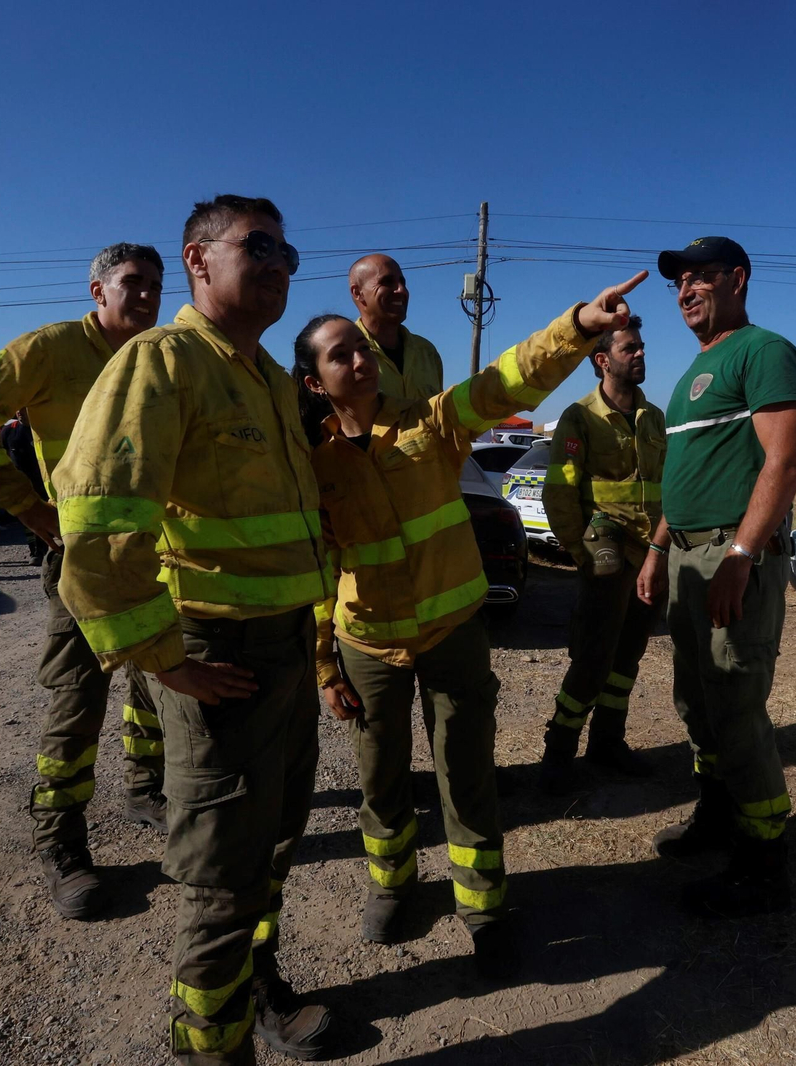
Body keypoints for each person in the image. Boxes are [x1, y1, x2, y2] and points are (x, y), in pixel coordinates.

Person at [294, 271, 647, 975]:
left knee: (467, 776)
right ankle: (393, 887)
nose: (360, 360)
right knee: (381, 782)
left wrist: (577, 326)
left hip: (453, 633)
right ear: (314, 382)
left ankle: (483, 906)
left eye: (361, 349)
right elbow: (319, 568)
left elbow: (504, 382)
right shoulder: (313, 463)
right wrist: (325, 663)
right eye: (340, 355)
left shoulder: (430, 421)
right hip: (369, 645)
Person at [54, 196, 335, 1063]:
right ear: (198, 260)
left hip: (285, 648)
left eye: (289, 252)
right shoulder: (161, 362)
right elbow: (97, 530)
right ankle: (212, 1048)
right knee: (219, 882)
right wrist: (162, 659)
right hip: (219, 654)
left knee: (272, 846)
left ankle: (259, 989)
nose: (280, 263)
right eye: (260, 245)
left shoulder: (268, 378)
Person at [0, 243, 170, 922]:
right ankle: (60, 842)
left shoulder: (160, 355)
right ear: (98, 291)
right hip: (82, 558)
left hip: (154, 553)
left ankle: (146, 790)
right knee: (78, 698)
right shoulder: (52, 348)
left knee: (154, 678)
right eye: (132, 282)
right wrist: (31, 509)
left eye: (156, 284)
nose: (147, 295)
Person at [637, 236, 796, 920]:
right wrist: (657, 550)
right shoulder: (694, 370)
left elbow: (785, 462)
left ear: (737, 279)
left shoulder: (763, 352)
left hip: (728, 556)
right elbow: (687, 477)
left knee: (736, 709)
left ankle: (763, 864)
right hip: (687, 557)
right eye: (679, 281)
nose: (686, 289)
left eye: (701, 277)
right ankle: (716, 813)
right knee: (697, 703)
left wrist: (741, 555)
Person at [537, 315, 666, 794]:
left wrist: (660, 550)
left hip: (650, 555)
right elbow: (560, 492)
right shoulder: (580, 418)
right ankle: (558, 753)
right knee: (593, 659)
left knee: (628, 657)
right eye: (629, 348)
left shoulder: (655, 417)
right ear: (602, 360)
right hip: (606, 555)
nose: (640, 353)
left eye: (641, 346)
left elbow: (667, 485)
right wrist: (580, 552)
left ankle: (607, 743)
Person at [349, 253, 444, 402]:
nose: (401, 290)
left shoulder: (427, 352)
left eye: (402, 282)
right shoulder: (344, 354)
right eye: (387, 282)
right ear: (358, 293)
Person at [1, 409, 48, 565]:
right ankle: (35, 551)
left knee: (47, 516)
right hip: (22, 484)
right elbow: (3, 454)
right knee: (29, 518)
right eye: (18, 410)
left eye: (24, 410)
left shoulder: (42, 429)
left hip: (45, 482)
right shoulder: (9, 430)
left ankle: (51, 549)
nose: (20, 413)